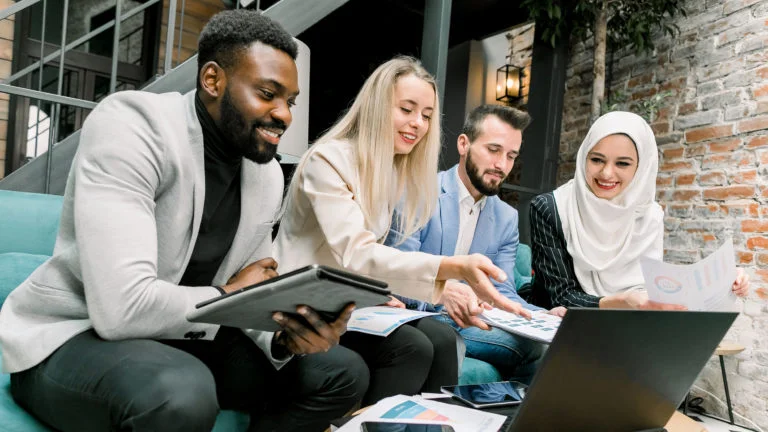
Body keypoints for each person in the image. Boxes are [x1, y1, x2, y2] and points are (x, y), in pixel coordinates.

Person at [0, 10, 369, 432]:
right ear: (213, 81)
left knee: (341, 372)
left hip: (182, 334)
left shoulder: (265, 174)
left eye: (290, 101)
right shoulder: (132, 127)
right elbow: (122, 309)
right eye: (268, 93)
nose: (284, 114)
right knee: (182, 392)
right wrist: (228, 293)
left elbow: (253, 290)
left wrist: (288, 334)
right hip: (77, 335)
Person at [274, 56, 527, 405]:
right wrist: (449, 271)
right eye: (407, 109)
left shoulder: (395, 173)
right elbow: (357, 253)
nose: (418, 124)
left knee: (438, 339)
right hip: (305, 304)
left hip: (351, 304)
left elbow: (373, 264)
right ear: (379, 106)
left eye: (426, 115)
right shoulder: (328, 159)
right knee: (413, 348)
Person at [386, 104, 565, 384]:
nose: (502, 165)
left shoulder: (506, 217)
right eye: (493, 150)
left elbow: (502, 292)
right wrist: (447, 294)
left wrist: (543, 317)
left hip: (477, 317)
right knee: (531, 348)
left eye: (510, 156)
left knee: (555, 341)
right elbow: (397, 277)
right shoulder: (417, 193)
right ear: (463, 144)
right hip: (422, 314)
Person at [529, 111, 750, 309]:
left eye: (622, 164)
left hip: (628, 325)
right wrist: (620, 302)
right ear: (584, 157)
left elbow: (650, 288)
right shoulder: (549, 208)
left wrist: (722, 283)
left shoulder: (649, 214)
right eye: (597, 160)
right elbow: (560, 297)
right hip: (558, 324)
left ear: (641, 168)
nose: (607, 173)